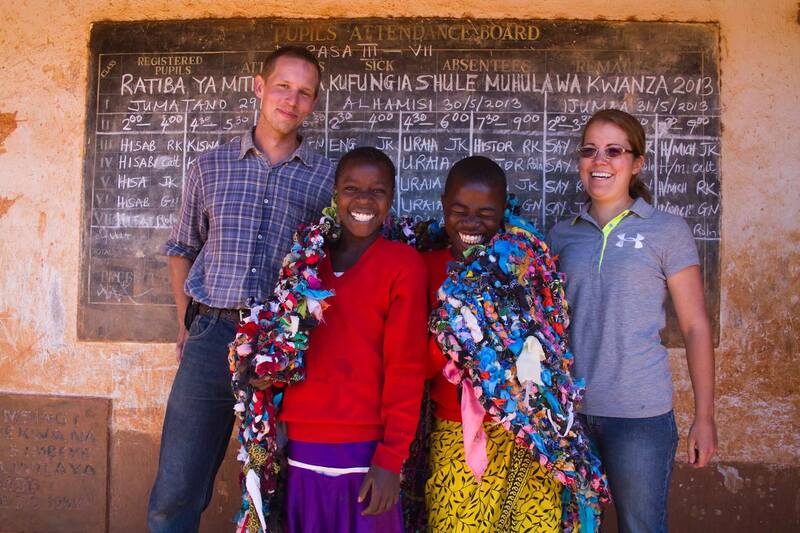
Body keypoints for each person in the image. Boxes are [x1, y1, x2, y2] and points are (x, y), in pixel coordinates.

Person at [148, 46, 334, 531]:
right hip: (210, 336)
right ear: (259, 86)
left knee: (274, 487)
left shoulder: (327, 181)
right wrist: (186, 323)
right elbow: (182, 246)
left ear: (313, 103)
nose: (291, 101)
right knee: (175, 490)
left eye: (304, 93)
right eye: (282, 87)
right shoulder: (210, 166)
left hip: (283, 349)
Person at [547, 109, 717, 533]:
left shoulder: (666, 231)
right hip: (568, 417)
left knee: (640, 527)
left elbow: (696, 327)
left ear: (637, 162)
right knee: (570, 527)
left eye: (614, 151)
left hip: (640, 419)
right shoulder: (560, 234)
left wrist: (705, 416)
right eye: (589, 151)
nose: (599, 161)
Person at [277, 147, 428, 532]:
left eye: (377, 190)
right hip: (302, 448)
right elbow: (284, 347)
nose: (363, 200)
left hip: (366, 455)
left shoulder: (402, 265)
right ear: (335, 195)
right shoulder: (308, 261)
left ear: (391, 199)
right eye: (351, 188)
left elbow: (405, 367)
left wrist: (391, 459)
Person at [423, 156, 563, 532]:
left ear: (503, 212)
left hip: (522, 432)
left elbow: (542, 346)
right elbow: (416, 363)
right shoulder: (427, 269)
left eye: (486, 212)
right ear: (442, 206)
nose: (471, 223)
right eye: (459, 210)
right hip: (458, 432)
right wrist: (457, 329)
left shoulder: (520, 266)